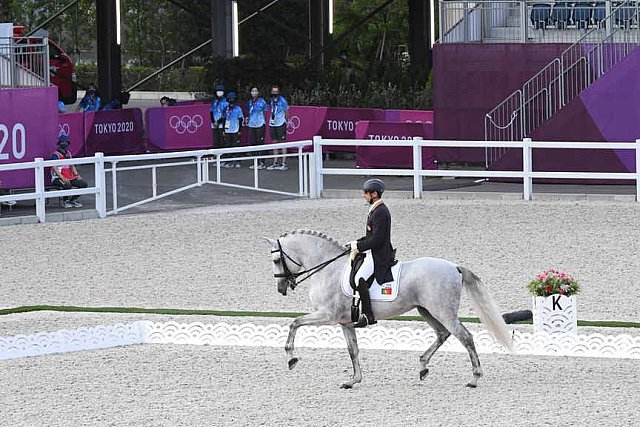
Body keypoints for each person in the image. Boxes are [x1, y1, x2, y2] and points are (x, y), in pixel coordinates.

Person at [347, 179, 395, 328]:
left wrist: (358, 246)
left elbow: (377, 240)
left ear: (374, 194)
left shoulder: (380, 211)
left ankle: (368, 315)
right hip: (373, 250)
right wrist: (354, 243)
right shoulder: (376, 209)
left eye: (366, 193)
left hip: (379, 253)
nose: (363, 195)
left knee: (359, 278)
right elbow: (370, 236)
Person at [51, 135, 88, 208]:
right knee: (67, 185)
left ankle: (73, 200)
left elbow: (72, 166)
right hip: (57, 178)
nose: (64, 144)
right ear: (59, 143)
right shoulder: (55, 155)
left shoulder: (68, 154)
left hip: (70, 176)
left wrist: (77, 175)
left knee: (83, 184)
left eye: (66, 142)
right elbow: (54, 168)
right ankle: (65, 201)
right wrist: (62, 178)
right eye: (62, 142)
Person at [266, 85, 289, 171]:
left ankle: (284, 163)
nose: (275, 93)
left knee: (282, 143)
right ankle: (275, 162)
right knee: (274, 143)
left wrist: (285, 121)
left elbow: (287, 111)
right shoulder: (271, 100)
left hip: (281, 123)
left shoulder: (282, 100)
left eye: (276, 91)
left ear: (278, 92)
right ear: (271, 92)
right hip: (273, 124)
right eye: (273, 91)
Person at [246, 87, 268, 170]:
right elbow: (249, 112)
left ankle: (262, 162)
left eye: (255, 91)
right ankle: (255, 161)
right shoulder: (250, 102)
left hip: (260, 124)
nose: (254, 92)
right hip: (252, 125)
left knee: (260, 142)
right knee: (253, 143)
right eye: (252, 91)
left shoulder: (262, 102)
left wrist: (262, 122)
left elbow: (265, 113)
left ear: (258, 92)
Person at [222, 92, 244, 168]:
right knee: (228, 146)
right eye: (230, 99)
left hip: (235, 130)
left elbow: (241, 120)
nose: (231, 100)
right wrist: (223, 130)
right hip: (227, 130)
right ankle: (229, 161)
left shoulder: (238, 108)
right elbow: (224, 120)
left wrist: (240, 130)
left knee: (236, 146)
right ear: (228, 100)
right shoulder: (226, 109)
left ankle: (238, 161)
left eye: (233, 99)